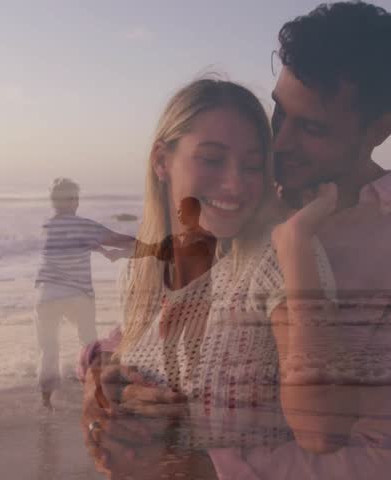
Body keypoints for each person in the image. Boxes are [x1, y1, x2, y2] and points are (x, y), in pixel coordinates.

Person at [83, 2, 391, 479]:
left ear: (379, 130)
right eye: (278, 111)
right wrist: (105, 376)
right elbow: (157, 321)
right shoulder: (247, 197)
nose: (281, 143)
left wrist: (196, 469)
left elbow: (384, 459)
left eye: (311, 127)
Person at [78, 77, 345, 479]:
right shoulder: (142, 274)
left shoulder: (276, 261)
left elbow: (320, 431)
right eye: (212, 159)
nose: (235, 182)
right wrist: (100, 387)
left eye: (253, 165)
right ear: (161, 161)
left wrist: (295, 240)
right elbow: (116, 350)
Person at [33, 177, 137, 408]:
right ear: (75, 201)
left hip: (47, 295)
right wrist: (146, 242)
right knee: (88, 342)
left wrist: (97, 248)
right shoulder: (85, 226)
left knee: (48, 348)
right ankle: (97, 393)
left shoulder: (46, 225)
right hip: (78, 295)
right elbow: (122, 240)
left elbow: (71, 243)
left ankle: (46, 400)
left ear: (53, 202)